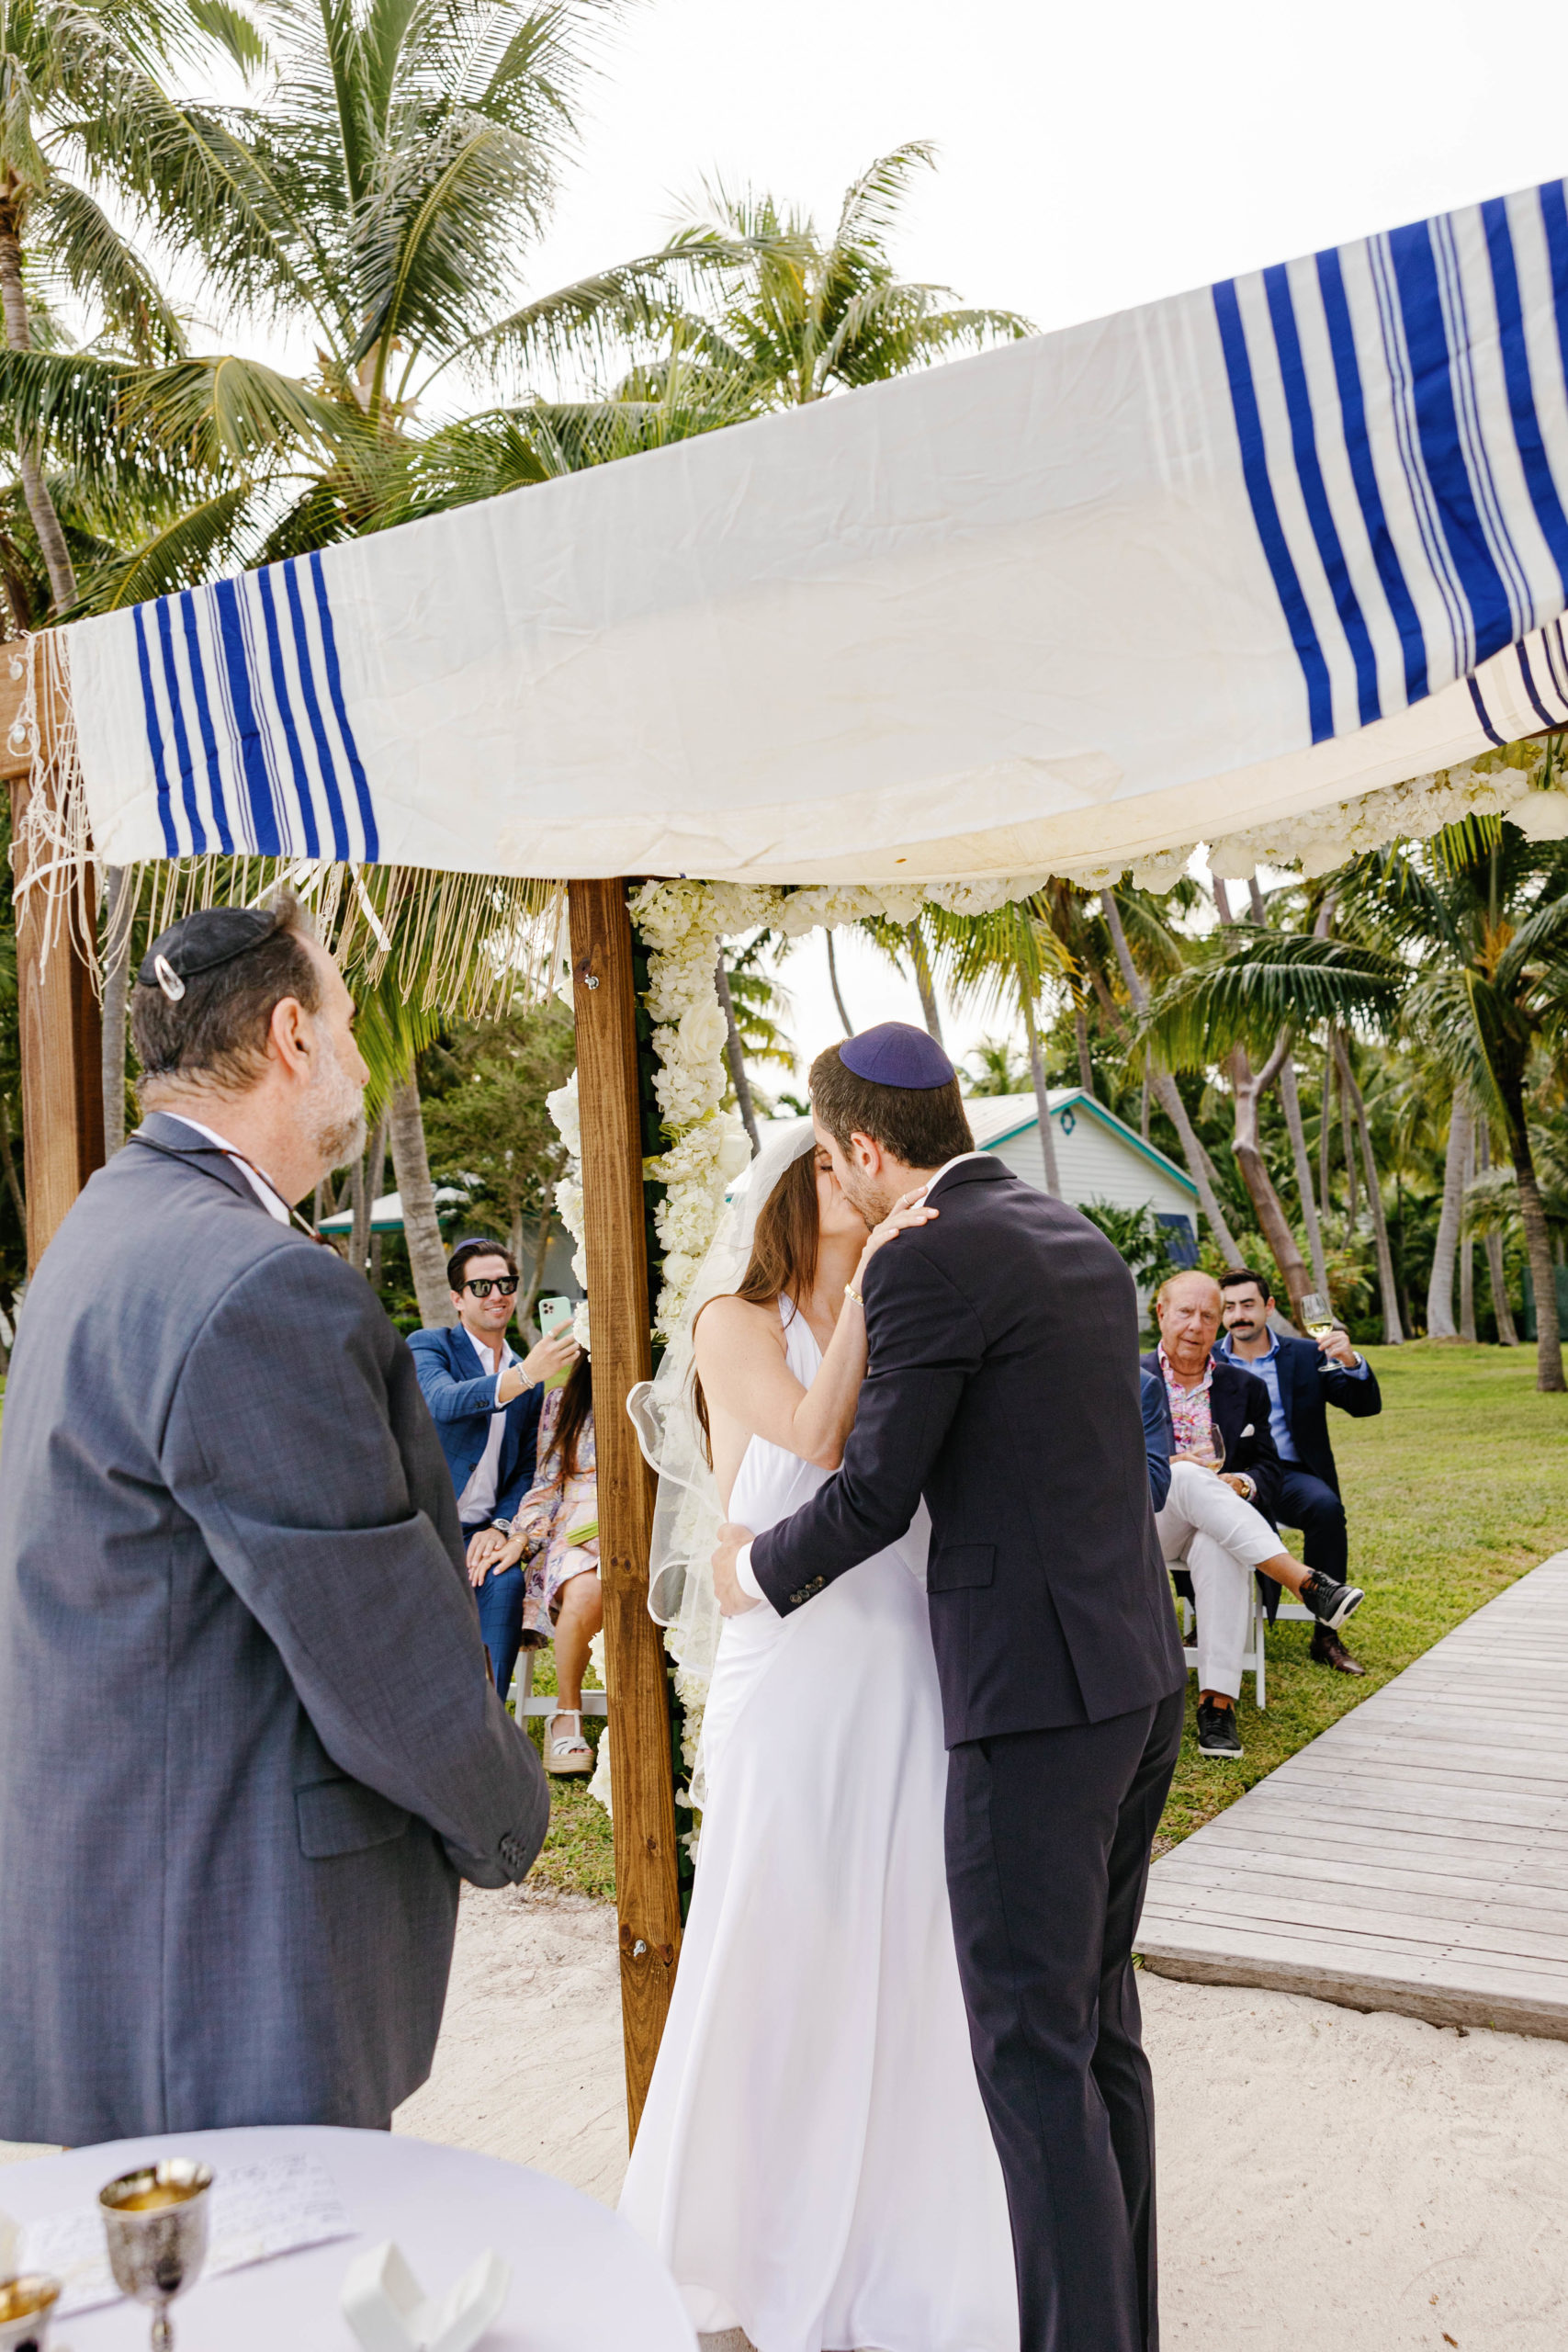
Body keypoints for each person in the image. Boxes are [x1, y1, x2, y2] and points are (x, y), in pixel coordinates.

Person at [0, 901, 548, 2147]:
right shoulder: (256, 1284)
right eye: (349, 1028)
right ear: (291, 1035)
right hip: (224, 1952)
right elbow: (381, 1654)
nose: (361, 1060)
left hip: (115, 1919)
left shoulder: (101, 1232)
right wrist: (510, 1813)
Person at [712, 1025, 1189, 2352]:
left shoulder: (923, 1260)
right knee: (1097, 2037)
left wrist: (751, 1571)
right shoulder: (1072, 1235)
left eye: (831, 1156)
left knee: (1029, 2060)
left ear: (865, 1150)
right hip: (1134, 1678)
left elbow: (869, 1495)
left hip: (1031, 1706)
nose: (830, 1182)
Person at [620, 1116, 1018, 2352]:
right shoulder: (729, 1324)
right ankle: (749, 2239)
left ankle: (901, 2238)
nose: (866, 1185)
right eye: (842, 1174)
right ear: (802, 1192)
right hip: (788, 1667)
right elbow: (811, 1437)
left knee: (903, 1929)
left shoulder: (907, 1312)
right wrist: (865, 1298)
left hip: (898, 1651)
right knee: (779, 1927)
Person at [1144, 1271, 1365, 1757]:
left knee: (1219, 1546)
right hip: (1144, 1524)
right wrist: (1175, 1466)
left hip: (1215, 1520)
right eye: (1185, 1312)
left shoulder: (1243, 1386)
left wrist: (1243, 1483)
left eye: (1207, 1315)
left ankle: (1217, 1705)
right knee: (1182, 1475)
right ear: (1161, 1313)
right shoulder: (1124, 1377)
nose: (1196, 1325)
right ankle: (1304, 1581)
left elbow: (1266, 1463)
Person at [409, 1238, 577, 1697]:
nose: (496, 1294)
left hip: (480, 1531)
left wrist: (501, 1527)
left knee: (503, 1585)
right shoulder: (430, 1347)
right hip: (419, 1525)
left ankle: (487, 1726)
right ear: (457, 1298)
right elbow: (443, 1403)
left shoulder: (528, 1372)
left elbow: (525, 1469)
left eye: (505, 1283)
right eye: (480, 1285)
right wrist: (523, 1379)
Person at [1217, 1266, 1382, 1677]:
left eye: (1248, 1304)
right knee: (1204, 1523)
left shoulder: (1308, 1355)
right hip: (1226, 1478)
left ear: (1268, 1307)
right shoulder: (1209, 1359)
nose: (1239, 1314)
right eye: (1229, 1307)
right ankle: (1212, 1625)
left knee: (1325, 1509)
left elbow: (1363, 1406)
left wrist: (1349, 1360)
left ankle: (1326, 1635)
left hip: (1290, 1474)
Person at [479, 1348, 602, 1773]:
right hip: (577, 1527)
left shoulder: (664, 1394)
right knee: (587, 1587)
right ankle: (565, 1717)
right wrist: (522, 1537)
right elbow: (547, 1483)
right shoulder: (562, 1401)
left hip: (646, 1522)